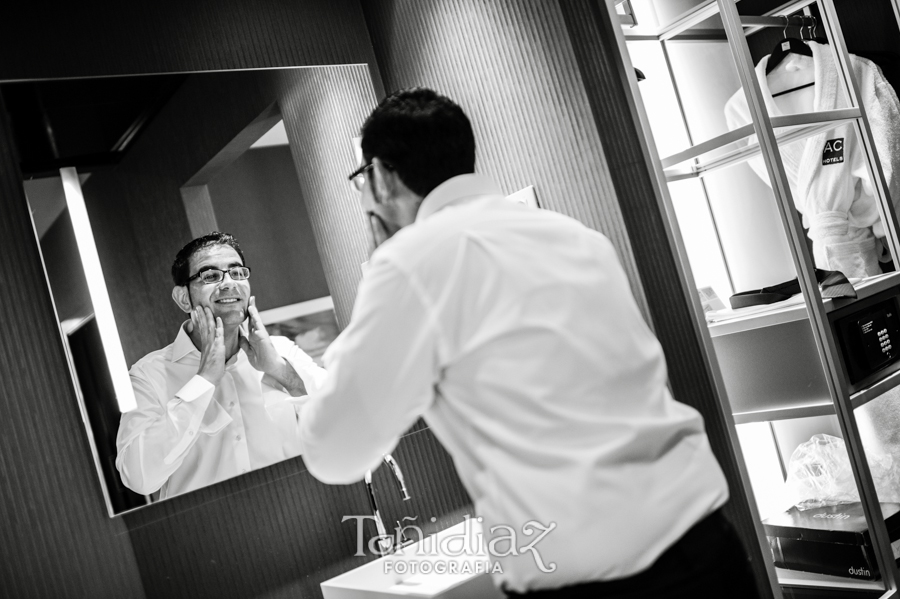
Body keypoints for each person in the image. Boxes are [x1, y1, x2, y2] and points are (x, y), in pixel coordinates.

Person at [297, 88, 760, 597]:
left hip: (597, 584)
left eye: (361, 179)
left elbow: (335, 450)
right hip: (711, 548)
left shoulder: (410, 263)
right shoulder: (572, 235)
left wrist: (380, 278)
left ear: (382, 176)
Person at [116, 232, 327, 499]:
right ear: (183, 298)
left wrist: (282, 373)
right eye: (210, 276)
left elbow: (347, 425)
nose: (229, 284)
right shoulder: (149, 375)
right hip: (208, 534)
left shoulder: (282, 351)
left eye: (237, 273)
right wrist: (202, 382)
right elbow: (138, 478)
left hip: (301, 517)